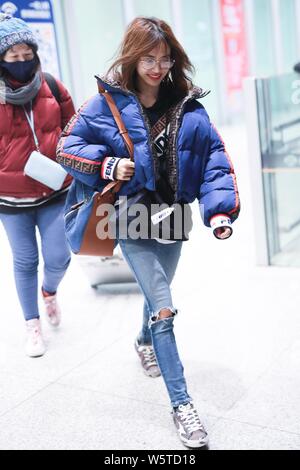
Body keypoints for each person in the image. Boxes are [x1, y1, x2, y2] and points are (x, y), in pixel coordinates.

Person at [57, 17, 240, 449]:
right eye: (148, 58)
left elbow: (214, 155)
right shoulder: (105, 105)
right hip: (129, 218)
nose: (157, 67)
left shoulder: (189, 106)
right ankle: (183, 407)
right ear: (132, 57)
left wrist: (219, 211)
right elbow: (67, 146)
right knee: (163, 306)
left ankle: (142, 341)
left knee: (159, 288)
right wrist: (106, 165)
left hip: (173, 218)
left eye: (164, 59)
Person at [0, 14, 75, 357]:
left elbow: (76, 131)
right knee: (25, 260)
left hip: (53, 191)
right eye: (12, 56)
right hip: (10, 197)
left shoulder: (53, 87)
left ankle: (50, 290)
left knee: (59, 256)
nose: (20, 61)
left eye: (25, 53)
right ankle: (32, 325)